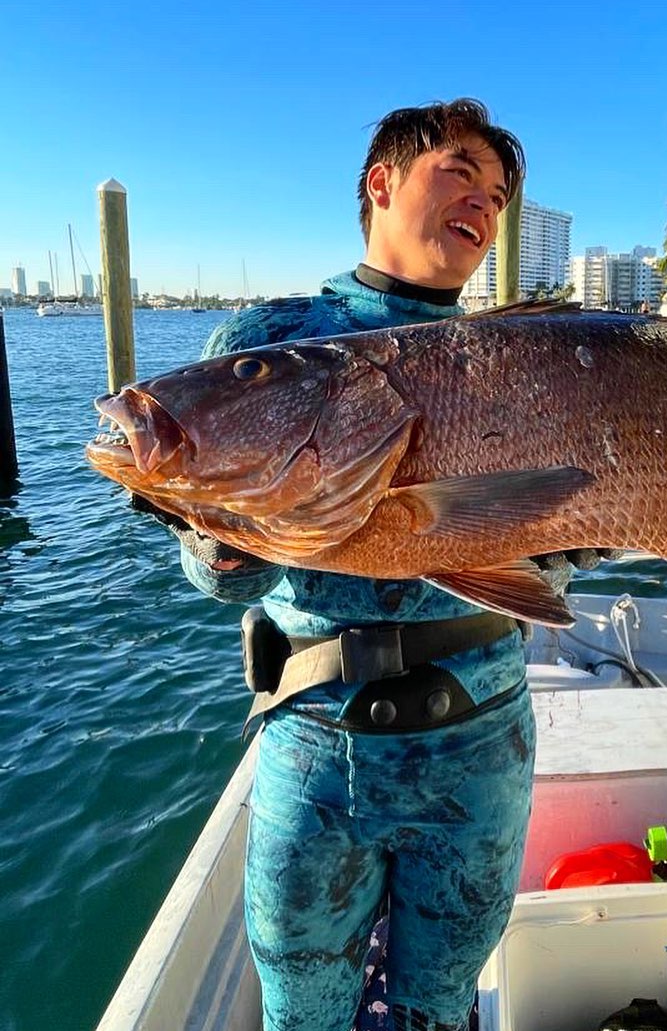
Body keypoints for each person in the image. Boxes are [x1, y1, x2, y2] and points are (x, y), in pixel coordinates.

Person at [140, 99, 605, 1031]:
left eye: (499, 192)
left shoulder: (533, 356)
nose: (484, 200)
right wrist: (215, 538)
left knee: (438, 1007)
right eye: (460, 170)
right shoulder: (267, 339)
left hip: (483, 740)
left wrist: (569, 549)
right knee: (303, 1008)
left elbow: (556, 571)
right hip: (316, 737)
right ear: (381, 182)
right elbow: (219, 582)